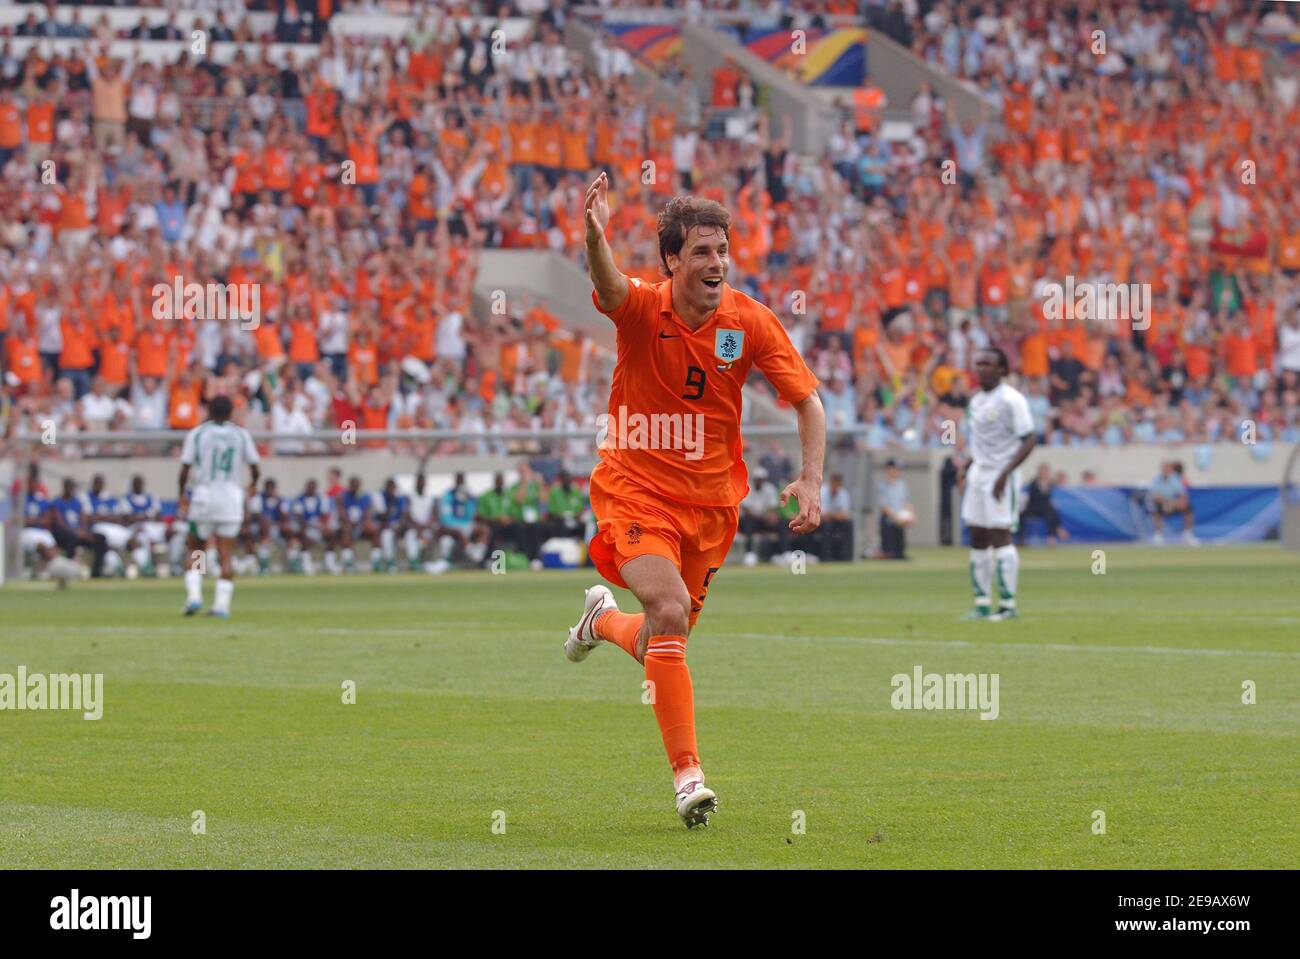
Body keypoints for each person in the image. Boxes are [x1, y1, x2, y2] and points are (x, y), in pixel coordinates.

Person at [563, 175, 826, 827]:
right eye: (702, 252)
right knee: (670, 609)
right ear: (673, 259)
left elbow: (808, 400)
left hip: (710, 509)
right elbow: (611, 285)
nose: (716, 263)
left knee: (661, 634)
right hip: (635, 488)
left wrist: (811, 477)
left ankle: (599, 622)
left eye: (722, 250)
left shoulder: (749, 320)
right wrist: (595, 239)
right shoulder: (644, 310)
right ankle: (689, 778)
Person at [960, 347, 1035, 620]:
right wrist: (968, 466)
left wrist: (1005, 473)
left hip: (1002, 474)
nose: (981, 368)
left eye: (988, 364)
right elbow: (979, 441)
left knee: (1000, 534)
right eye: (978, 363)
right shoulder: (976, 400)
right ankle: (981, 602)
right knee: (977, 534)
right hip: (979, 473)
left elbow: (1029, 440)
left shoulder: (1012, 400)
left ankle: (1007, 605)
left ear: (1003, 369)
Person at [178, 395, 261, 617]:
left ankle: (194, 596)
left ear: (208, 411)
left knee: (197, 549)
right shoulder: (241, 435)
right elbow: (255, 467)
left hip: (204, 495)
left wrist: (181, 495)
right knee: (226, 553)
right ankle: (222, 605)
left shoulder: (198, 433)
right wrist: (252, 486)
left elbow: (185, 469)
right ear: (231, 412)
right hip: (231, 498)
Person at [1149, 460, 1198, 545]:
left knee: (1188, 507)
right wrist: (1166, 503)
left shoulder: (1175, 479)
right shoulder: (1156, 480)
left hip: (1173, 503)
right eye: (1164, 468)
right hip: (1162, 503)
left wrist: (1175, 503)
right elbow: (1155, 496)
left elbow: (1183, 494)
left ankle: (1187, 535)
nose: (1166, 470)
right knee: (1155, 508)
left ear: (1171, 470)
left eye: (1168, 468)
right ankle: (1158, 536)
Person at [1019, 465, 1069, 544]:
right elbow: (1034, 498)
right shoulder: (1034, 483)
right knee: (1050, 509)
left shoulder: (1050, 484)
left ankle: (1052, 536)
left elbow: (1048, 497)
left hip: (1044, 510)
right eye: (1043, 471)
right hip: (1033, 508)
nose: (1045, 473)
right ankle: (1058, 529)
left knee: (1051, 511)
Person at [876, 459, 913, 559]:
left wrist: (910, 515)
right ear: (889, 469)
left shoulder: (902, 484)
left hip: (900, 520)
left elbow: (906, 501)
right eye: (895, 469)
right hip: (888, 521)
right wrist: (895, 517)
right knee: (889, 553)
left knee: (900, 553)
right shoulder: (883, 485)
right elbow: (883, 506)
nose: (897, 471)